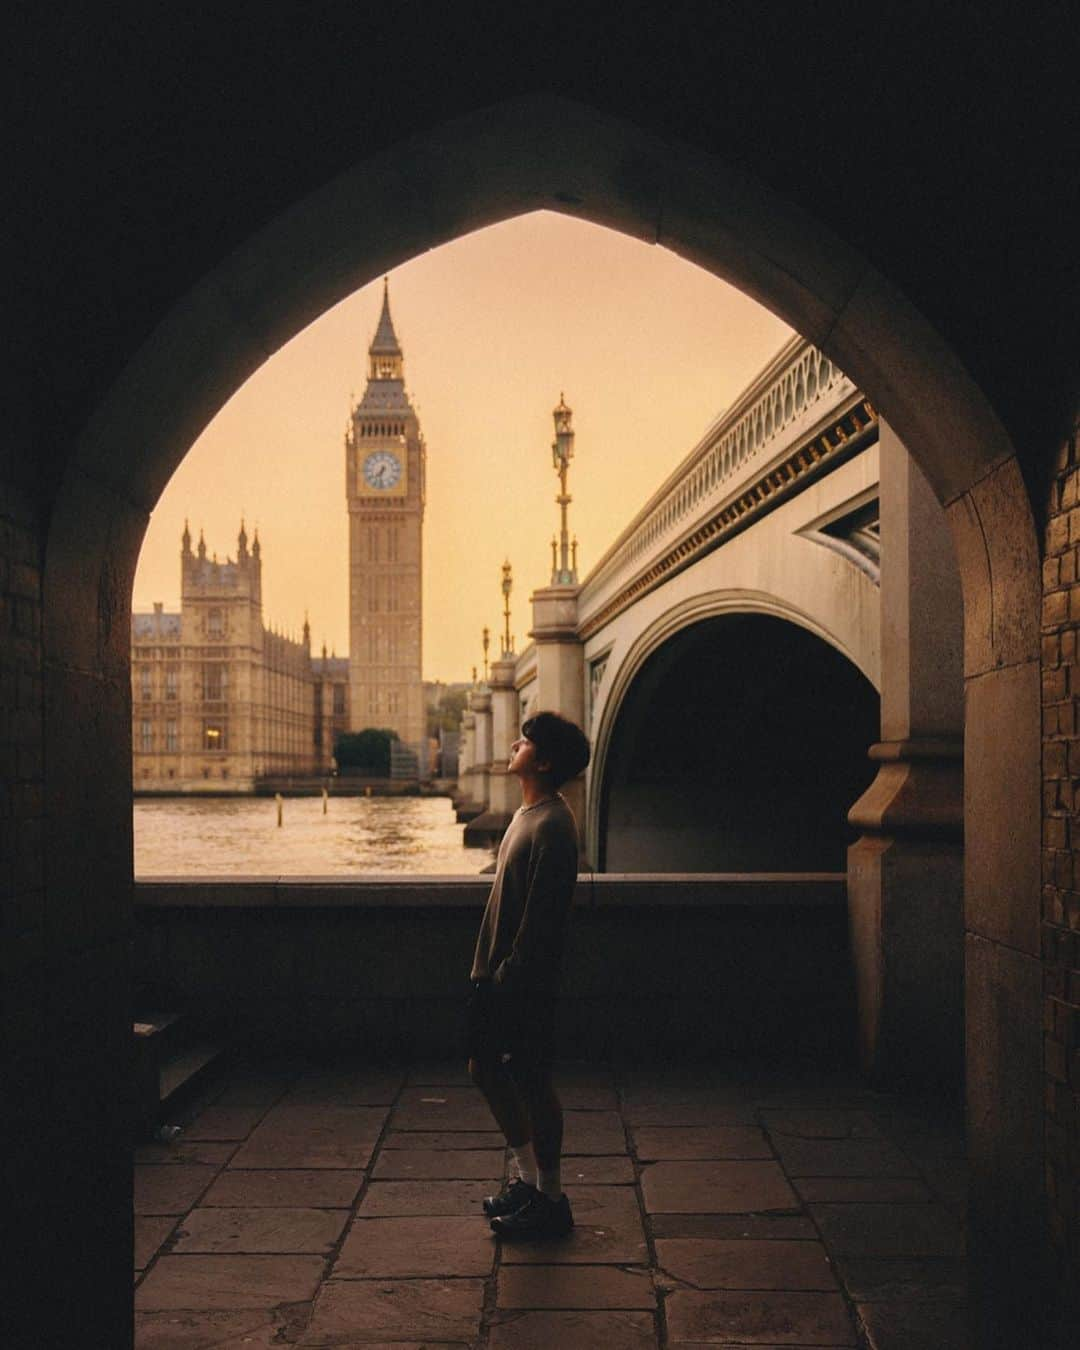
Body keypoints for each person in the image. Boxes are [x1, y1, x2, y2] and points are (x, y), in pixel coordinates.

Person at [466, 710, 590, 1239]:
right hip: (494, 974)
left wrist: (509, 979)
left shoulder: (555, 827)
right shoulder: (527, 814)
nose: (513, 742)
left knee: (533, 1081)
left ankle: (552, 1198)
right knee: (486, 1069)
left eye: (525, 740)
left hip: (520, 983)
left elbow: (540, 921)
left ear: (541, 760)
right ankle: (529, 1180)